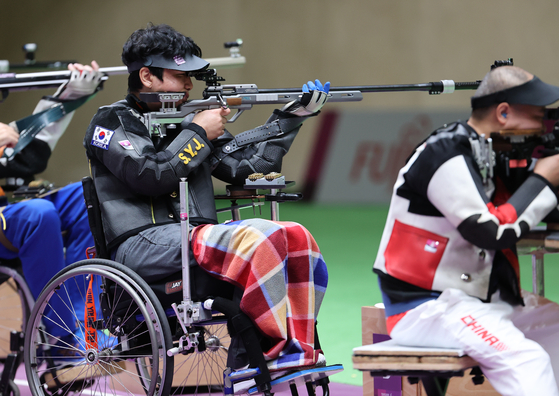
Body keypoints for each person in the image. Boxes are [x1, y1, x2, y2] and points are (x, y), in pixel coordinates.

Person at [83, 23, 329, 373]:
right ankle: (265, 353)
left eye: (191, 77)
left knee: (296, 238)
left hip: (195, 240)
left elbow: (249, 169)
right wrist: (198, 132)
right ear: (147, 76)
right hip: (140, 246)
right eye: (178, 75)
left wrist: (290, 118)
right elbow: (150, 175)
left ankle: (291, 348)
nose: (188, 85)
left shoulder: (186, 119)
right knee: (263, 237)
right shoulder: (111, 121)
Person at [373, 65, 559, 396]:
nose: (543, 129)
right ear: (504, 113)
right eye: (538, 118)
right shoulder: (445, 153)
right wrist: (543, 179)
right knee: (527, 360)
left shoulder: (488, 152)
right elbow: (492, 231)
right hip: (425, 307)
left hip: (481, 301)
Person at [0, 62, 104, 350]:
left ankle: (89, 325)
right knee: (38, 215)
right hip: (13, 216)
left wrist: (71, 93)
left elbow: (28, 160)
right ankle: (63, 337)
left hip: (6, 208)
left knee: (91, 196)